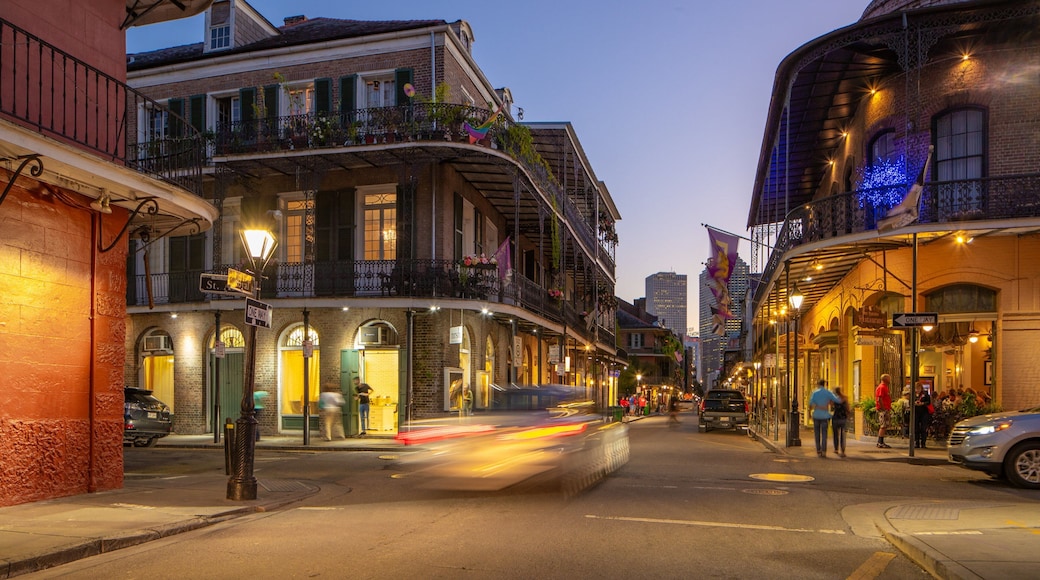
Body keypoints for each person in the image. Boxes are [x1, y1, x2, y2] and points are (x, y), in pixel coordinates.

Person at [808, 379, 840, 457]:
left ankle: (818, 450)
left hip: (816, 415)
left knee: (817, 434)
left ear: (818, 384)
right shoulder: (828, 392)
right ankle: (824, 450)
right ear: (824, 384)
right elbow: (837, 400)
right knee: (824, 434)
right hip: (825, 415)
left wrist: (810, 413)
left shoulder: (815, 393)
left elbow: (810, 403)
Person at [831, 386, 851, 457]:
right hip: (843, 417)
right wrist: (848, 415)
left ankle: (836, 449)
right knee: (843, 435)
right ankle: (843, 450)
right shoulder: (845, 398)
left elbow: (831, 406)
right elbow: (848, 408)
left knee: (835, 434)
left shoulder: (834, 399)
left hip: (835, 417)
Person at [875, 374, 892, 448]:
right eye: (889, 378)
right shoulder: (882, 387)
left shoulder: (885, 387)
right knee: (883, 425)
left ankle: (881, 441)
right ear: (885, 379)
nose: (890, 379)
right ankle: (880, 442)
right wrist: (884, 408)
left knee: (884, 426)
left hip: (885, 409)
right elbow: (880, 398)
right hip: (883, 410)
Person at [914, 381, 932, 448]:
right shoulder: (912, 394)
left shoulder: (925, 394)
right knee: (916, 428)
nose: (917, 389)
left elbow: (928, 402)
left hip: (924, 412)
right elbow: (910, 402)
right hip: (916, 412)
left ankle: (923, 443)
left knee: (923, 428)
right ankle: (916, 442)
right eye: (916, 388)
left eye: (918, 388)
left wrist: (923, 403)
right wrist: (915, 403)